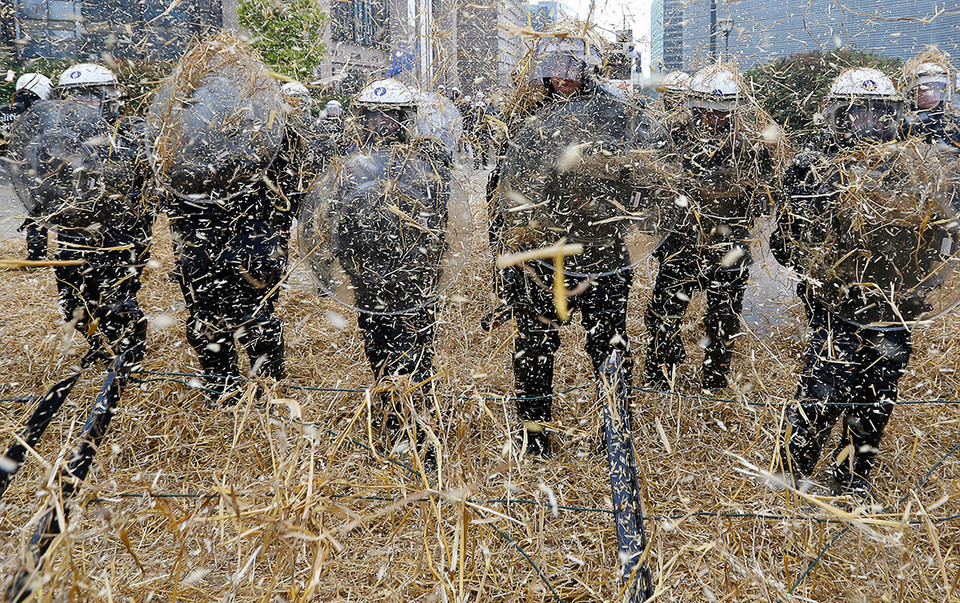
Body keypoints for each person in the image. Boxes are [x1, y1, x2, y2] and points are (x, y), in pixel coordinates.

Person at [487, 25, 673, 457]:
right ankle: (534, 442)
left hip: (601, 253)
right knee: (533, 351)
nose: (562, 76)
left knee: (609, 346)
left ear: (589, 69)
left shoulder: (618, 115)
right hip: (539, 257)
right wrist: (503, 260)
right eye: (552, 67)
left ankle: (615, 438)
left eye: (571, 66)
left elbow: (648, 178)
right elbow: (500, 192)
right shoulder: (526, 118)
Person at [772, 67, 944, 498]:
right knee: (822, 388)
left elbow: (942, 233)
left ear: (893, 115)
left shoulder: (917, 166)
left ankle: (853, 477)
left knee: (878, 392)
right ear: (837, 115)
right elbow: (784, 242)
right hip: (835, 302)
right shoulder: (812, 166)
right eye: (856, 113)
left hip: (894, 304)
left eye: (878, 114)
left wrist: (921, 277)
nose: (867, 124)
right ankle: (793, 474)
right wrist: (822, 255)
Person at [305, 77, 458, 454]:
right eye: (372, 116)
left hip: (414, 270)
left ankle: (418, 421)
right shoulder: (346, 160)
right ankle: (390, 407)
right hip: (367, 269)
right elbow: (335, 210)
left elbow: (437, 212)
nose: (380, 124)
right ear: (362, 118)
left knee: (415, 344)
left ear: (404, 118)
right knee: (376, 341)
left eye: (389, 117)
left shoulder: (427, 157)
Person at [153, 36, 306, 404]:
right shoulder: (181, 131)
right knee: (220, 316)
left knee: (242, 316)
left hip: (239, 236)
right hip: (219, 237)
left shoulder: (266, 123)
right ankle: (232, 387)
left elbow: (291, 185)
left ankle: (256, 388)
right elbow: (164, 182)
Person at [642, 63, 780, 393]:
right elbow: (653, 188)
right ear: (694, 106)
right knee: (663, 316)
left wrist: (755, 190)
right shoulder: (672, 139)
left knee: (724, 320)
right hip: (680, 247)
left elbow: (766, 200)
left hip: (730, 250)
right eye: (706, 110)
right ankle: (662, 375)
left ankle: (714, 382)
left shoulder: (752, 146)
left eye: (722, 112)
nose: (714, 118)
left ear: (736, 110)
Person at [36, 64, 150, 364]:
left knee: (117, 298)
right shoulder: (55, 137)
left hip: (118, 233)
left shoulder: (130, 133)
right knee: (74, 297)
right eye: (72, 95)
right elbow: (40, 182)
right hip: (73, 232)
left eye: (88, 95)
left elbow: (140, 184)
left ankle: (128, 356)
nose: (79, 102)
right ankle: (99, 346)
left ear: (107, 98)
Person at [1, 73, 53, 263]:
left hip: (11, 170)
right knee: (39, 211)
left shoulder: (5, 110)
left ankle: (36, 254)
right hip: (37, 169)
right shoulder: (44, 111)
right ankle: (37, 255)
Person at [900, 49, 960, 152]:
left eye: (937, 88)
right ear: (911, 93)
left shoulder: (953, 121)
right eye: (925, 89)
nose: (933, 94)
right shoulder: (901, 122)